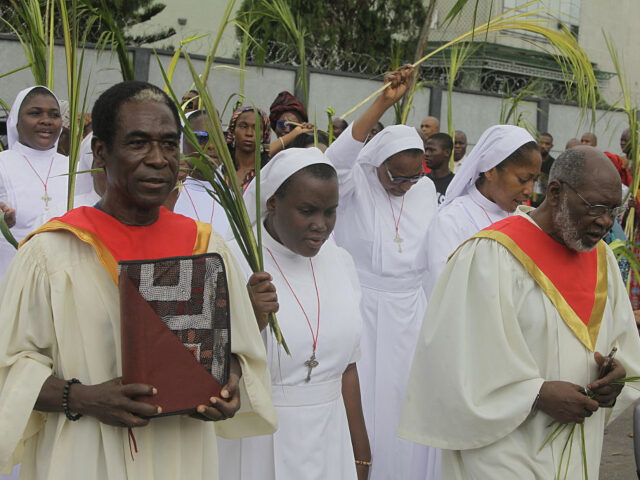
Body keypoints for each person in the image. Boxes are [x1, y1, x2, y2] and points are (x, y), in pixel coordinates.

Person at [0, 81, 276, 479]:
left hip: (180, 451)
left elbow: (237, 348)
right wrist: (82, 396)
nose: (158, 159)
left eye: (168, 144)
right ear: (101, 152)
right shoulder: (52, 252)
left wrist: (229, 382)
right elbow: (11, 368)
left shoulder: (203, 246)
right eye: (138, 143)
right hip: (86, 451)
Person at [400, 145, 640, 479]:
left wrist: (615, 378)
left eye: (612, 210)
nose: (604, 222)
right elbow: (456, 362)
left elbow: (623, 345)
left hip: (577, 444)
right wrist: (536, 394)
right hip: (505, 448)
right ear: (554, 192)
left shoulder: (602, 261)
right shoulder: (491, 255)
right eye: (595, 207)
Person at [219, 148, 371, 480]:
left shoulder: (340, 261)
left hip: (331, 439)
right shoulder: (232, 260)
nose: (322, 226)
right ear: (272, 202)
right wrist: (251, 319)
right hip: (257, 441)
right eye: (307, 211)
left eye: (331, 212)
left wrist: (361, 452)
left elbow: (347, 366)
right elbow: (206, 372)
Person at [326, 65, 439, 480]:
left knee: (401, 401)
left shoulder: (425, 191)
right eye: (397, 176)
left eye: (414, 177)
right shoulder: (354, 181)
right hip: (360, 306)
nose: (405, 185)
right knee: (360, 401)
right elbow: (334, 160)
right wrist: (383, 103)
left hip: (410, 311)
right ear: (377, 162)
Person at [421, 125, 542, 296]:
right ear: (491, 170)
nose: (529, 190)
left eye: (534, 180)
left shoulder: (522, 219)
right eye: (523, 179)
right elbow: (444, 293)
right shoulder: (452, 221)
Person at [0, 86, 69, 281]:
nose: (46, 120)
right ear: (16, 120)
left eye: (54, 115)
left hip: (62, 281)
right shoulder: (2, 164)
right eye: (35, 113)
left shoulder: (75, 168)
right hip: (10, 279)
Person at [174, 110, 230, 236]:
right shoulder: (169, 192)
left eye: (218, 139)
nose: (211, 146)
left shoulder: (231, 198)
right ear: (182, 140)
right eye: (201, 138)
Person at [225, 105, 271, 191]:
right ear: (233, 131)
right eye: (243, 126)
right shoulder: (221, 169)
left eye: (256, 128)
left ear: (264, 136)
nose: (249, 133)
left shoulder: (268, 173)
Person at [268, 91, 313, 156]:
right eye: (282, 125)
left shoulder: (305, 154)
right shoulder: (265, 155)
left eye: (293, 126)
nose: (287, 130)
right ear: (275, 126)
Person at [425, 133, 454, 205]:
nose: (426, 154)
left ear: (447, 152)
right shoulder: (420, 182)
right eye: (426, 150)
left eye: (432, 150)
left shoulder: (456, 184)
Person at [532, 132, 555, 206]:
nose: (543, 146)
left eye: (547, 144)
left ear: (551, 146)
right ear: (537, 143)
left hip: (545, 206)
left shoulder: (554, 165)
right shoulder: (530, 162)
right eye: (541, 143)